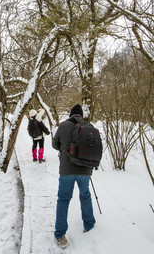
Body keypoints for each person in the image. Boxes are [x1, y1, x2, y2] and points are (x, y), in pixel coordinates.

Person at [52, 104, 96, 249]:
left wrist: (64, 148)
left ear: (71, 114)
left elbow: (54, 144)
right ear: (81, 115)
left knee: (63, 199)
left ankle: (60, 235)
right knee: (85, 195)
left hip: (67, 170)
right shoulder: (89, 126)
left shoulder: (63, 125)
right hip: (85, 170)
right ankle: (89, 224)